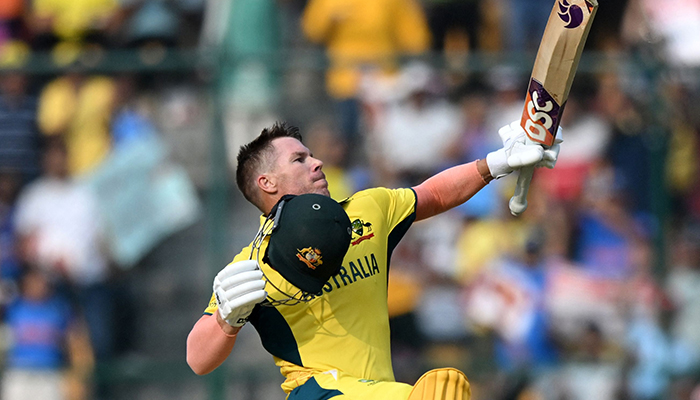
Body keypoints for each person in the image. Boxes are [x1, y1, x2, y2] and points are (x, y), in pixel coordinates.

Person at [186, 121, 561, 399]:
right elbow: (198, 360)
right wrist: (226, 318)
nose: (317, 162)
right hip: (318, 393)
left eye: (311, 154)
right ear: (267, 183)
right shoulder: (251, 265)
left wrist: (496, 163)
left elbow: (432, 194)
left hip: (379, 389)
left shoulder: (367, 209)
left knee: (448, 388)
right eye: (300, 159)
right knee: (439, 393)